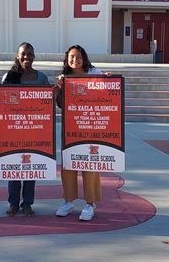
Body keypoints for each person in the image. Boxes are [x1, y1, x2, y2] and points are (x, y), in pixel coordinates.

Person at [55, 44, 110, 221]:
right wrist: (59, 87)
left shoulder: (94, 72)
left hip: (91, 125)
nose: (75, 60)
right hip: (71, 127)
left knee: (89, 164)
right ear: (67, 59)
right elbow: (60, 104)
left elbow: (108, 93)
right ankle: (68, 201)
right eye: (71, 57)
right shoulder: (65, 77)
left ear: (84, 58)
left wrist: (109, 80)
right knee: (69, 165)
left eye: (78, 56)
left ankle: (90, 203)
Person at [2, 42, 49, 217]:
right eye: (23, 54)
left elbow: (48, 102)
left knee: (31, 168)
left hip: (35, 129)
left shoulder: (41, 78)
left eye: (30, 54)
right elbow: (2, 103)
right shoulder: (9, 76)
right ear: (17, 55)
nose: (26, 57)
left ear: (34, 56)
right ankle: (13, 203)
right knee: (14, 167)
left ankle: (27, 203)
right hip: (13, 129)